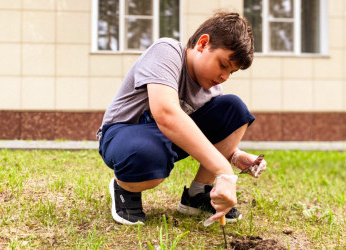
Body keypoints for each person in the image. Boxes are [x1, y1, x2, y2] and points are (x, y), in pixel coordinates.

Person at [97, 12, 267, 225]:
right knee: (148, 154)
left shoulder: (212, 90)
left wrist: (234, 156)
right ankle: (125, 188)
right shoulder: (167, 52)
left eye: (231, 72)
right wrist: (224, 172)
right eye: (223, 65)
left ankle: (198, 195)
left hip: (165, 140)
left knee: (233, 109)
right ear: (203, 44)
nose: (224, 76)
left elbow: (203, 135)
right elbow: (166, 114)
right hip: (123, 134)